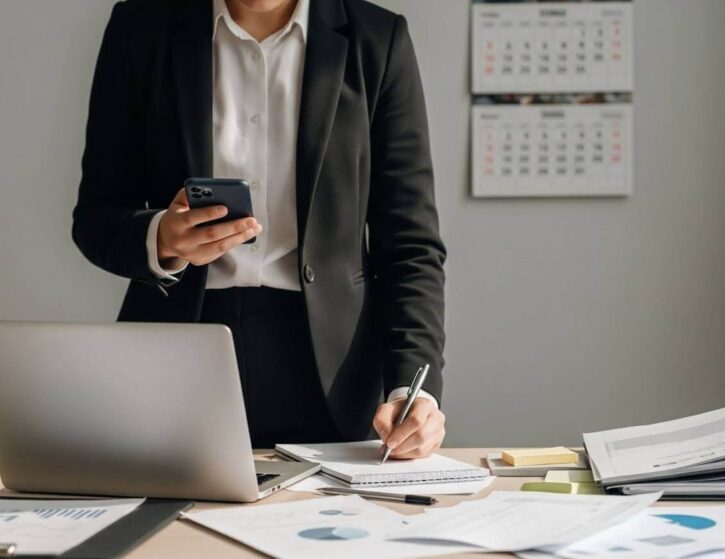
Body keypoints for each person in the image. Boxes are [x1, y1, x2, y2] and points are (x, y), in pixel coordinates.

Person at [73, 0, 447, 457]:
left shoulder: (378, 39)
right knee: (170, 526)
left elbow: (410, 245)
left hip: (332, 372)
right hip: (179, 350)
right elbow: (96, 216)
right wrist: (161, 239)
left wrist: (414, 388)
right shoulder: (140, 28)